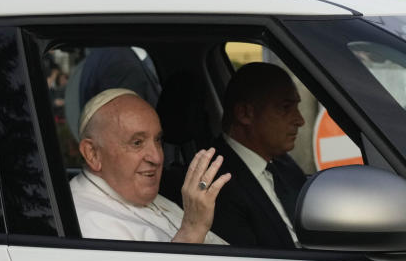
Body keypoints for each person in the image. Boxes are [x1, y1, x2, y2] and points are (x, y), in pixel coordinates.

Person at [70, 88, 230, 244]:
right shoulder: (89, 222)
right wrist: (192, 230)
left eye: (158, 140)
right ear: (93, 153)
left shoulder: (135, 193)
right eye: (137, 142)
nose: (157, 157)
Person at [210, 62, 308, 248]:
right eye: (286, 107)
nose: (300, 120)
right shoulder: (216, 184)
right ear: (245, 113)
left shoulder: (285, 166)